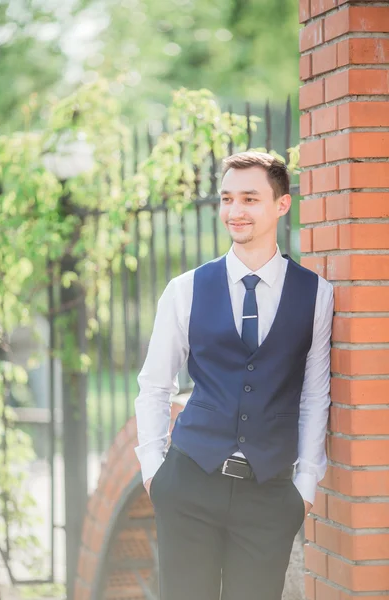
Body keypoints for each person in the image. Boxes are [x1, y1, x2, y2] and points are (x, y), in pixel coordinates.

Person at [134, 151, 333, 600]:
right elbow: (154, 385)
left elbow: (315, 395)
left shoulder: (316, 294)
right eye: (227, 198)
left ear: (282, 205)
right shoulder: (185, 290)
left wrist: (305, 486)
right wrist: (153, 471)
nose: (235, 211)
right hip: (188, 485)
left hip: (269, 495)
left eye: (249, 198)